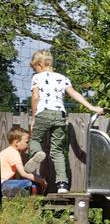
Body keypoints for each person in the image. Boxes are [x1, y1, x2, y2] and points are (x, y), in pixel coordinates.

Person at [27, 49, 104, 193]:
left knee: (34, 139)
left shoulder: (37, 78)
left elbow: (35, 97)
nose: (35, 70)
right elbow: (74, 93)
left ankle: (37, 152)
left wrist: (33, 117)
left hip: (43, 113)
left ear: (39, 64)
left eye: (35, 68)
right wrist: (92, 107)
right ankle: (62, 184)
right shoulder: (62, 78)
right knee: (57, 151)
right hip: (59, 115)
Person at [1, 126, 47, 195]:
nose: (28, 145)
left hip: (6, 183)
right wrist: (41, 181)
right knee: (29, 183)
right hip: (4, 184)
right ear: (16, 142)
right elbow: (23, 173)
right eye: (26, 142)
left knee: (31, 180)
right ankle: (31, 193)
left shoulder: (6, 151)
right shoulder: (14, 153)